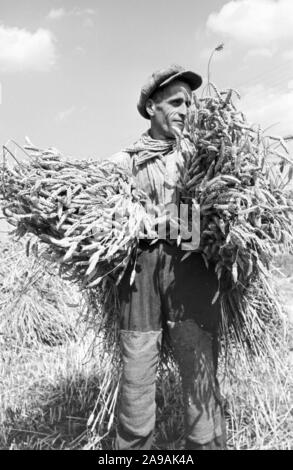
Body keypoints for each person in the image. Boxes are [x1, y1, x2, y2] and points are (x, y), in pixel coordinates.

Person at [110, 64, 226, 450]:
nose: (185, 109)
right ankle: (134, 449)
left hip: (189, 273)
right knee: (138, 363)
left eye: (189, 103)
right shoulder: (125, 162)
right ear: (151, 107)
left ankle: (204, 444)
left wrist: (175, 224)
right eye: (176, 101)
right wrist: (155, 223)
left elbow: (199, 226)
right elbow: (112, 221)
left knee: (198, 362)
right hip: (140, 275)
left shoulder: (200, 158)